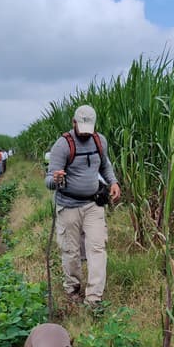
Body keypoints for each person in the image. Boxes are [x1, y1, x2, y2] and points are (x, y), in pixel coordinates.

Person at [45, 104, 121, 309]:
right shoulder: (62, 145)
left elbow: (105, 164)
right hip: (68, 206)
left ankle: (94, 298)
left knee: (97, 247)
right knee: (71, 251)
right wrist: (56, 178)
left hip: (93, 204)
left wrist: (113, 182)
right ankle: (73, 289)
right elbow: (49, 182)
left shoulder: (99, 140)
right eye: (82, 129)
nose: (86, 134)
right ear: (73, 123)